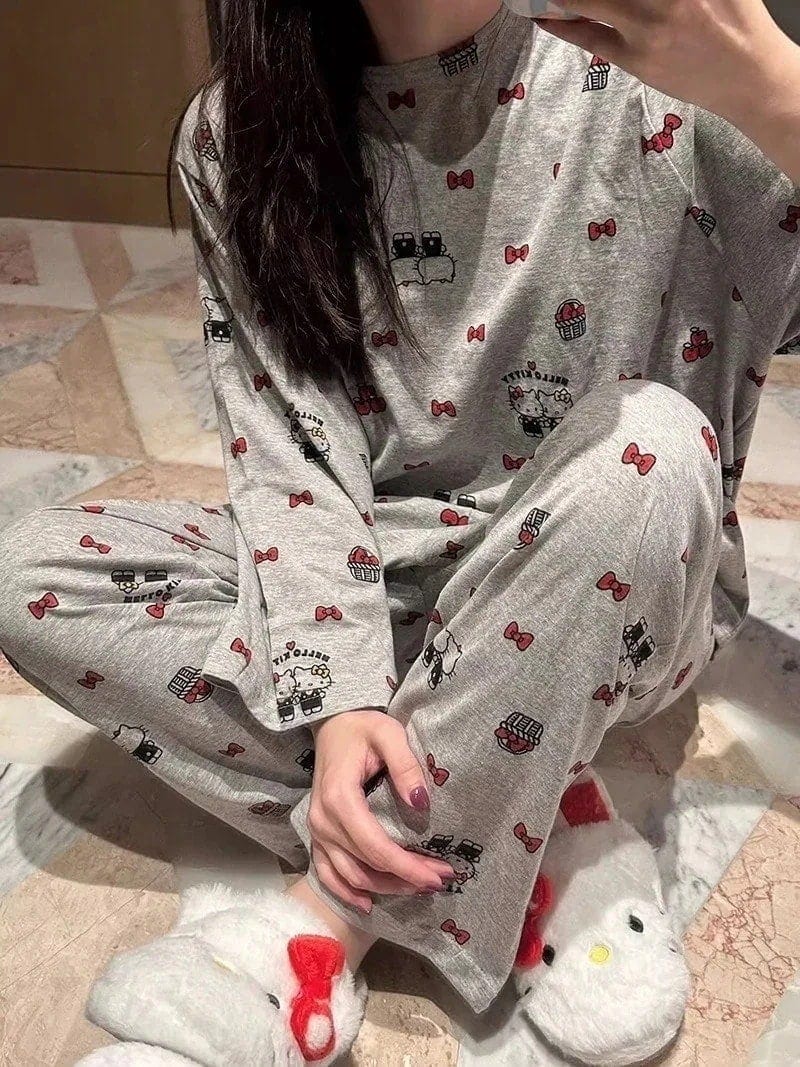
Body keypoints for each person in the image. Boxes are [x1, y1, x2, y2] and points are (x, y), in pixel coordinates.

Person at [1, 0, 799, 1062]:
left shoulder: (681, 73)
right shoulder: (241, 129)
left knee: (649, 445)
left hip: (617, 578)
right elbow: (290, 446)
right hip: (383, 584)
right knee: (35, 573)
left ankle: (324, 921)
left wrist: (774, 91)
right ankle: (527, 801)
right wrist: (339, 695)